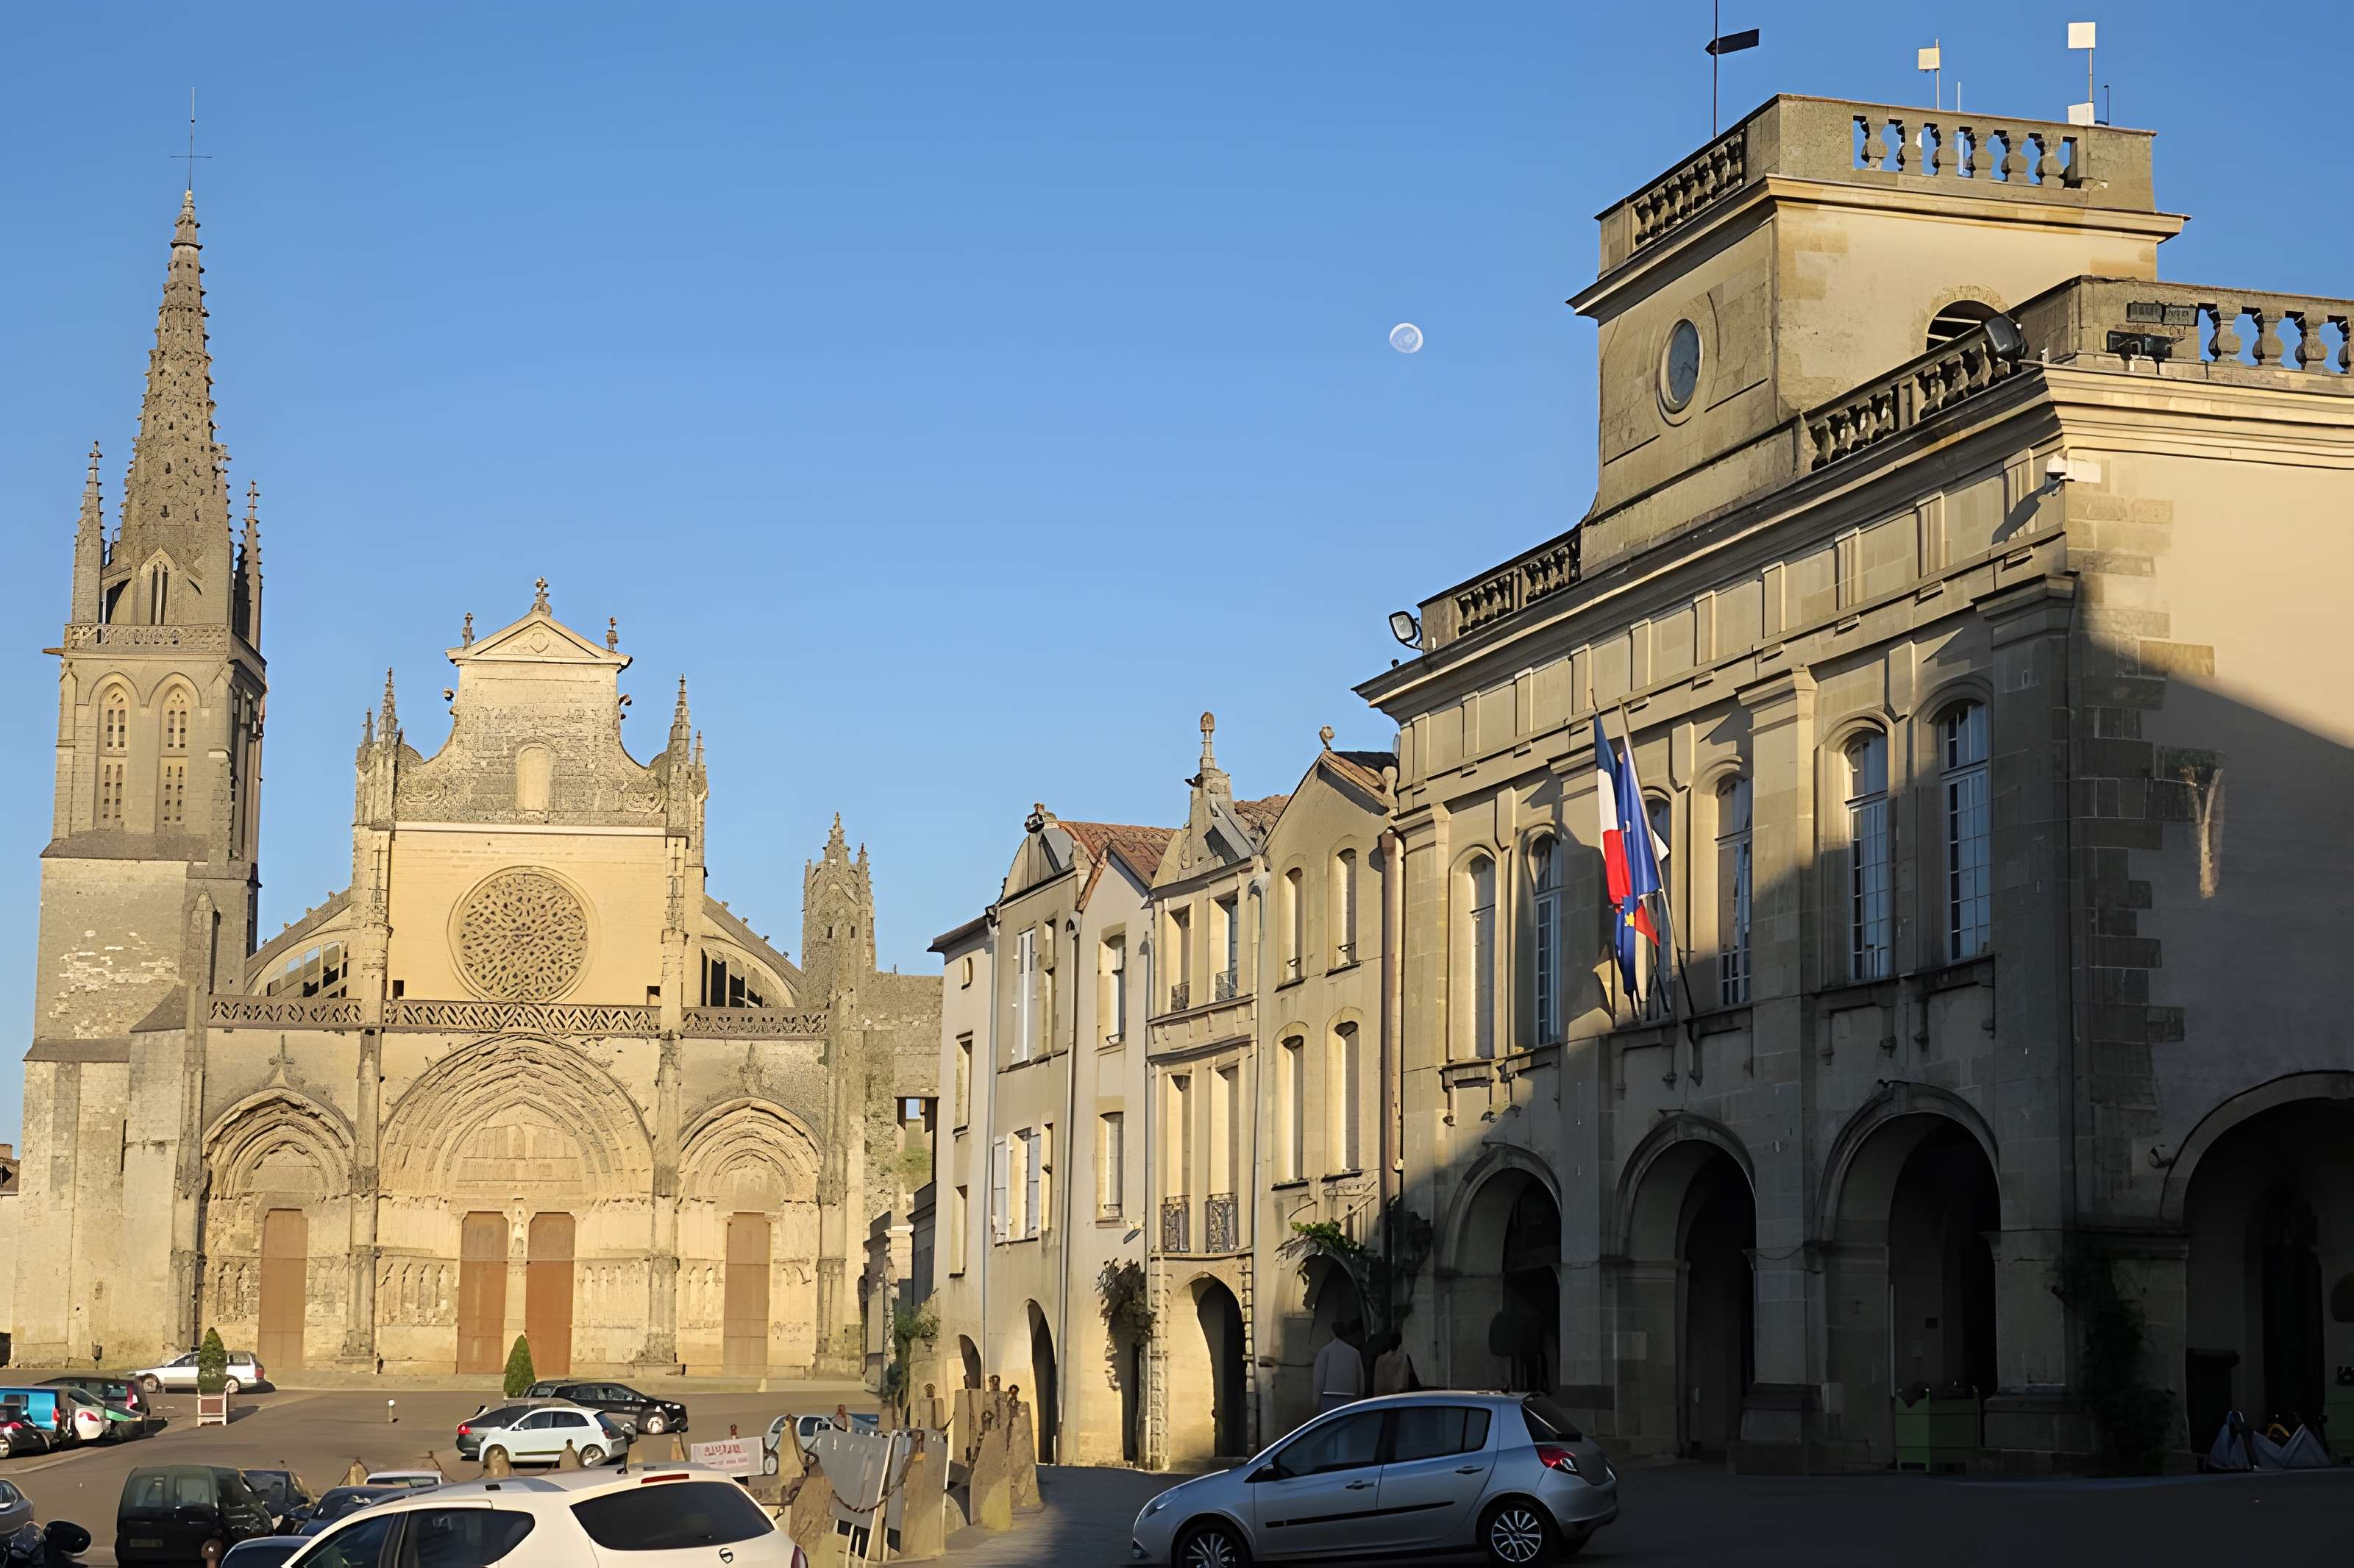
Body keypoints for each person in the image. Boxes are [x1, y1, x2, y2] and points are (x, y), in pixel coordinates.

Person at [1312, 1320, 1366, 1412]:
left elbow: (1319, 1379)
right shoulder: (1355, 1353)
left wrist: (1316, 1401)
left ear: (1332, 1333)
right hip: (1350, 1399)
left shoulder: (1326, 1351)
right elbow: (1361, 1383)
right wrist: (1359, 1398)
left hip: (1328, 1399)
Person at [1371, 1330, 1420, 1395]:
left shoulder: (1380, 1360)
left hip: (1381, 1398)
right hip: (1398, 1398)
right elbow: (1400, 1386)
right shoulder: (1403, 1358)